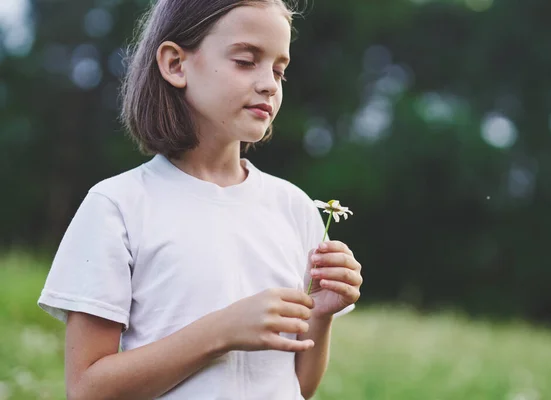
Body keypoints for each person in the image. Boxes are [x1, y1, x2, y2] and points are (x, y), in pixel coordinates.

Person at [37, 0, 363, 399]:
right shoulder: (117, 206)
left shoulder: (295, 207)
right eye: (246, 60)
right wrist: (222, 331)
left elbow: (298, 387)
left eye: (279, 70)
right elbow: (87, 390)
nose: (269, 84)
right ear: (176, 64)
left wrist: (322, 315)